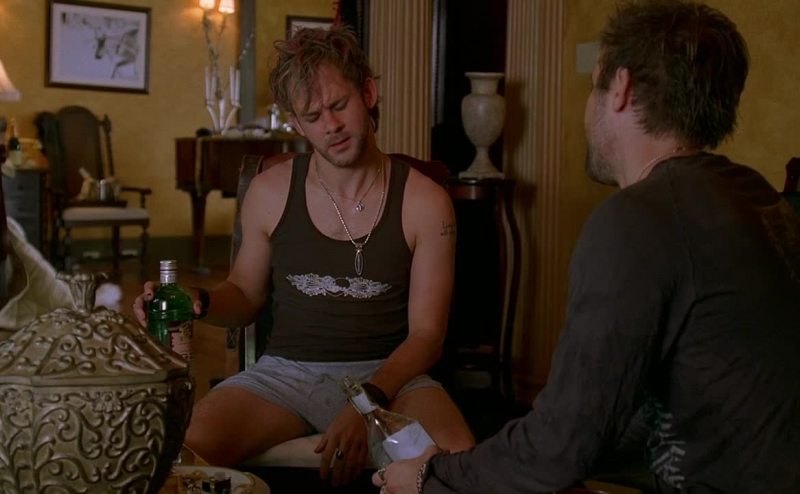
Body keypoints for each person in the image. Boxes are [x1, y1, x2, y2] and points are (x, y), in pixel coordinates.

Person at [373, 1, 800, 493]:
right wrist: (480, 462)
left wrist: (430, 476)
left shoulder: (640, 220)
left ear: (621, 88)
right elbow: (634, 416)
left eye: (594, 85)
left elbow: (560, 448)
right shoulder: (754, 195)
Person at [133, 26, 474, 486]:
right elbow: (244, 295)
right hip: (284, 378)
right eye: (313, 116)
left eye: (339, 105)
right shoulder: (270, 191)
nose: (331, 126)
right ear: (296, 123)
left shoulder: (426, 202)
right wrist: (199, 300)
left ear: (368, 94)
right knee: (170, 453)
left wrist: (365, 404)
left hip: (391, 378)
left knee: (457, 464)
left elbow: (427, 336)